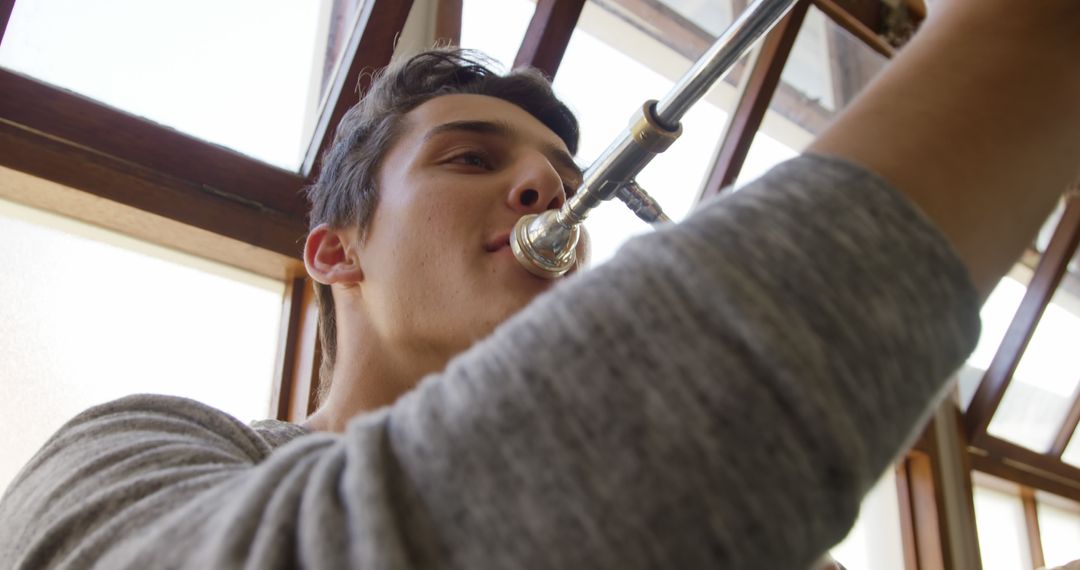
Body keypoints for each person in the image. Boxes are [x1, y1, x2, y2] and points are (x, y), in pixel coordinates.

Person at [1, 0, 1077, 567]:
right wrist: (1016, 43)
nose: (542, 191)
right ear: (335, 252)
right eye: (472, 160)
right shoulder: (138, 448)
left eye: (562, 183)